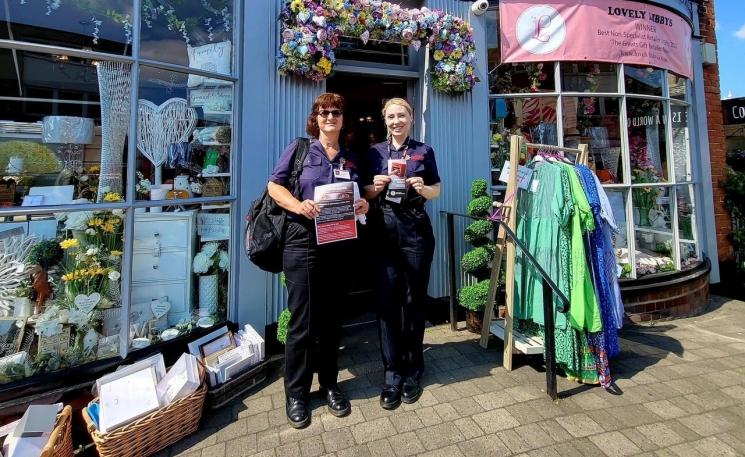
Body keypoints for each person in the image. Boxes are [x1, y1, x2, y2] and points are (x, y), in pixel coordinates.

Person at [267, 93, 370, 428]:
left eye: (336, 112)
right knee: (302, 323)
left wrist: (363, 207)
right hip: (302, 243)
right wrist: (298, 205)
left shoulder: (352, 157)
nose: (330, 117)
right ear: (316, 118)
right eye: (323, 112)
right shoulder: (300, 149)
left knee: (331, 320)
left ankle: (329, 385)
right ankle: (296, 393)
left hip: (339, 243)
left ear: (343, 118)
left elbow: (360, 196)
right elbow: (274, 186)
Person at [364, 98, 441, 410]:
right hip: (383, 229)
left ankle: (413, 368)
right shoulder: (374, 153)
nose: (397, 121)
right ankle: (392, 374)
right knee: (386, 303)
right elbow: (363, 192)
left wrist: (423, 187)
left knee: (414, 300)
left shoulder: (424, 150)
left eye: (402, 115)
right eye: (391, 116)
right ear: (385, 120)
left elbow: (437, 189)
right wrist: (375, 186)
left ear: (411, 118)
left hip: (415, 229)